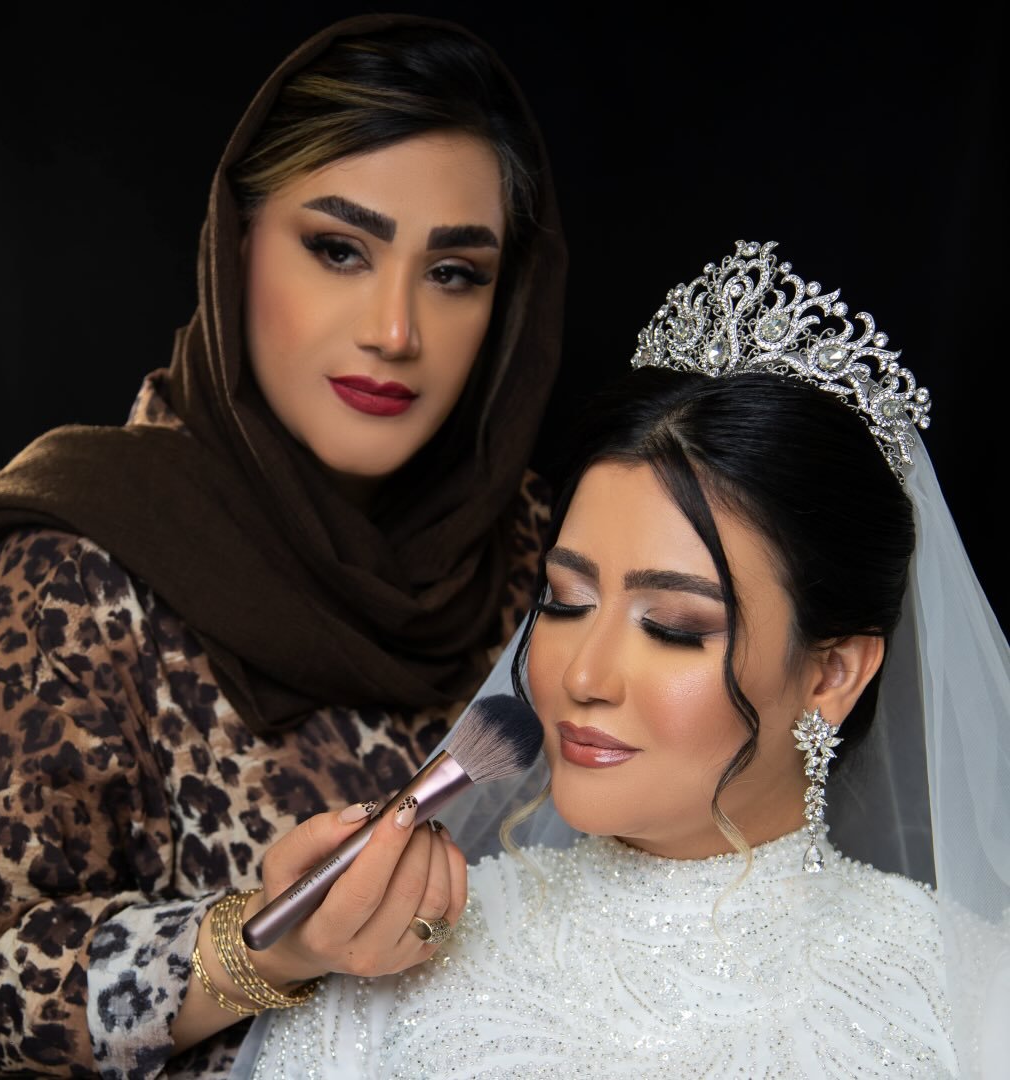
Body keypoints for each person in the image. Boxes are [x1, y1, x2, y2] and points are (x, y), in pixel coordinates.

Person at [0, 14, 566, 1077]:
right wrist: (263, 945)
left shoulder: (550, 556)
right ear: (236, 246)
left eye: (455, 271)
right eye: (339, 250)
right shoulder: (74, 572)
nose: (395, 330)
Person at [234, 240, 1010, 1078]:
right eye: (566, 603)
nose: (581, 676)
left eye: (672, 627)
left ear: (831, 675)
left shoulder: (972, 992)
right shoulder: (403, 947)